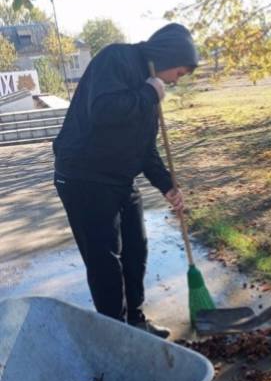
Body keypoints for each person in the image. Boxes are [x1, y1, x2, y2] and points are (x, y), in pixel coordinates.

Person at [52, 24, 198, 338]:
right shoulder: (116, 58)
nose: (175, 81)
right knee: (105, 259)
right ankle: (117, 335)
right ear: (168, 56)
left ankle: (134, 321)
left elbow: (145, 148)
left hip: (119, 178)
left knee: (136, 250)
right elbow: (102, 111)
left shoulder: (151, 88)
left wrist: (167, 185)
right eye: (179, 73)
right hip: (83, 176)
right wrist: (148, 93)